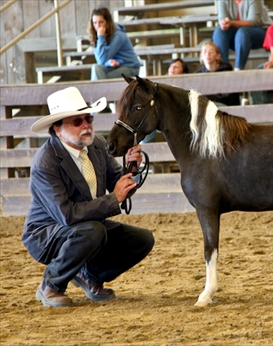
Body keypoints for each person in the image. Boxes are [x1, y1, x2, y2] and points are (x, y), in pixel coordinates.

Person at [23, 87, 155, 308]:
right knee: (93, 231)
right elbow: (66, 215)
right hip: (47, 232)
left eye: (88, 118)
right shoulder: (45, 163)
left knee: (142, 239)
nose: (86, 125)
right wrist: (114, 199)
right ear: (57, 128)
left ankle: (89, 275)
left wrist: (132, 168)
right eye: (77, 121)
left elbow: (119, 185)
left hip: (87, 226)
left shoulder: (97, 145)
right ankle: (51, 285)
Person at [213, 0, 273, 71]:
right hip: (236, 34)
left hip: (259, 31)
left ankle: (238, 69)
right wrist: (223, 23)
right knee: (219, 32)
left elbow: (253, 21)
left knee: (243, 32)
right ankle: (222, 68)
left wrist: (231, 23)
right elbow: (222, 19)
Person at [88, 7, 141, 80]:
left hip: (130, 68)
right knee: (96, 68)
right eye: (95, 23)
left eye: (101, 22)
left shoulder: (118, 35)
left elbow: (101, 60)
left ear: (107, 22)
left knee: (101, 75)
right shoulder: (97, 36)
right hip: (115, 67)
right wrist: (108, 63)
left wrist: (101, 37)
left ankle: (99, 91)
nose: (98, 26)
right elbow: (100, 61)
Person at [194, 41, 240, 106]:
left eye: (211, 51)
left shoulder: (226, 71)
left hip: (225, 107)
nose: (208, 54)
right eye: (205, 51)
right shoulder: (197, 75)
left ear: (217, 56)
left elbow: (229, 97)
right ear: (201, 56)